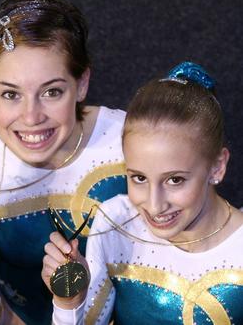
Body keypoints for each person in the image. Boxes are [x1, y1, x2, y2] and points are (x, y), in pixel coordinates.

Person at [0, 0, 127, 325]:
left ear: (81, 84)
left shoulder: (127, 143)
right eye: (11, 94)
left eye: (52, 92)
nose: (31, 117)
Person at [43, 62, 243, 324]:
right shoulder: (116, 222)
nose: (154, 204)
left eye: (174, 180)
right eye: (139, 178)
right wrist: (69, 301)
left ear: (217, 166)